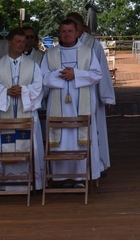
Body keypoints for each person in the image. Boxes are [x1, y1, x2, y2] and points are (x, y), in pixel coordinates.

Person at [41, 19, 103, 183]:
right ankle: (59, 178)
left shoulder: (88, 52)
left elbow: (97, 74)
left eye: (70, 31)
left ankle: (81, 177)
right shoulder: (50, 54)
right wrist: (62, 76)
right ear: (59, 34)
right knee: (61, 141)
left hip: (81, 106)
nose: (66, 34)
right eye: (63, 31)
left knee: (80, 139)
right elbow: (42, 78)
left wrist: (76, 74)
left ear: (77, 33)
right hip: (57, 104)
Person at [0, 28, 45, 190]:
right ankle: (6, 184)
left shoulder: (32, 65)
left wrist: (23, 91)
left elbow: (39, 87)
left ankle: (30, 183)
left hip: (27, 112)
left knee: (30, 145)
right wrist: (6, 91)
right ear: (9, 43)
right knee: (5, 146)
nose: (21, 45)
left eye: (24, 42)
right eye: (18, 41)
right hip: (6, 113)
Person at [66, 12, 115, 173]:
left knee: (94, 130)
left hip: (90, 93)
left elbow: (102, 70)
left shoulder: (92, 45)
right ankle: (73, 168)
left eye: (74, 26)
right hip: (67, 98)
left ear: (80, 28)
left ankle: (97, 163)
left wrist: (106, 96)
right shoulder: (62, 46)